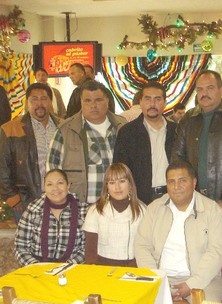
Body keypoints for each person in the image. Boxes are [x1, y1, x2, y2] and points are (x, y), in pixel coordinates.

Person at [135, 160, 222, 304]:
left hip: (201, 278)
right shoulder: (155, 208)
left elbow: (216, 252)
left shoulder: (211, 210)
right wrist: (158, 279)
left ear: (194, 182)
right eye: (171, 181)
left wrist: (192, 284)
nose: (176, 186)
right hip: (161, 275)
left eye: (182, 180)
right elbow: (141, 245)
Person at [171, 70, 222, 220]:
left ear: (221, 90)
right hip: (193, 201)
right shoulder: (188, 119)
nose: (204, 93)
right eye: (200, 89)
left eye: (210, 88)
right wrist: (185, 195)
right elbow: (177, 159)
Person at [47, 80, 127, 204]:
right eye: (87, 101)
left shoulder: (122, 126)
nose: (93, 105)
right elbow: (52, 168)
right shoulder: (66, 130)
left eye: (98, 100)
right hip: (80, 206)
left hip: (118, 205)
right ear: (81, 103)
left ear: (107, 101)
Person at [0, 83, 62, 222]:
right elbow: (2, 166)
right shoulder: (10, 129)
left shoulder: (63, 126)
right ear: (27, 103)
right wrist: (13, 199)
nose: (39, 103)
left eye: (44, 99)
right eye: (34, 99)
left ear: (50, 102)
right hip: (26, 201)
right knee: (28, 242)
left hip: (60, 198)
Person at [114, 81, 176, 204]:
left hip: (172, 196)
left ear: (165, 102)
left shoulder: (177, 131)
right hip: (139, 199)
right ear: (140, 102)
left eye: (157, 99)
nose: (152, 104)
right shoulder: (127, 132)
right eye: (147, 99)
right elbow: (120, 169)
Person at [13, 169, 87, 266]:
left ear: (68, 185)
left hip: (71, 269)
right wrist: (35, 266)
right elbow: (20, 246)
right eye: (49, 184)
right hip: (36, 268)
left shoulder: (83, 211)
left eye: (60, 183)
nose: (55, 188)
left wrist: (66, 266)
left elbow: (87, 247)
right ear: (44, 188)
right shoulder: (33, 209)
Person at [83, 163, 145, 266]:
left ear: (130, 184)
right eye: (112, 182)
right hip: (101, 269)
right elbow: (90, 254)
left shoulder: (143, 211)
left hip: (133, 269)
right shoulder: (95, 211)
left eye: (122, 181)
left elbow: (145, 248)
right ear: (106, 186)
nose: (117, 187)